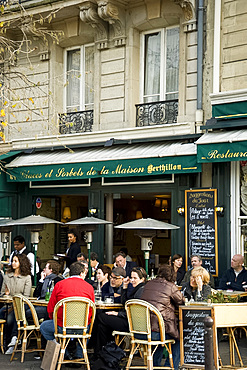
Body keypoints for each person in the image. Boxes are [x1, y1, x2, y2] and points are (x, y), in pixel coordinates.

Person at [40, 262, 95, 361]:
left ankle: (64, 352)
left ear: (69, 273)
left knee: (44, 327)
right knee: (90, 325)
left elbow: (51, 308)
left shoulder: (59, 285)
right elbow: (91, 310)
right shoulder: (89, 287)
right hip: (82, 327)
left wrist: (55, 320)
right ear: (82, 273)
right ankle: (79, 355)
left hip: (62, 326)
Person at [141, 264, 185, 370]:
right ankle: (171, 367)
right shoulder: (171, 286)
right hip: (157, 333)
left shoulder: (148, 284)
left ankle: (155, 365)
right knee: (179, 338)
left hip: (141, 332)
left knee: (160, 332)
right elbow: (182, 302)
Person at [95, 267, 147, 354]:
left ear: (142, 279)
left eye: (135, 278)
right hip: (129, 319)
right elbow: (125, 303)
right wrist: (125, 287)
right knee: (101, 326)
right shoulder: (136, 288)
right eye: (131, 278)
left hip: (133, 323)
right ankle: (104, 353)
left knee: (101, 317)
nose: (132, 280)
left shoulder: (140, 291)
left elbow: (133, 312)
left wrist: (117, 314)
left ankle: (104, 352)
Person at [0, 254, 32, 354]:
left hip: (20, 305)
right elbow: (2, 294)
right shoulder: (7, 276)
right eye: (13, 261)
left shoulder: (26, 277)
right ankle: (4, 342)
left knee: (12, 316)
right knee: (1, 313)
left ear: (21, 263)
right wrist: (6, 294)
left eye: (16, 261)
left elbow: (26, 296)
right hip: (8, 304)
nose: (13, 263)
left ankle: (13, 341)